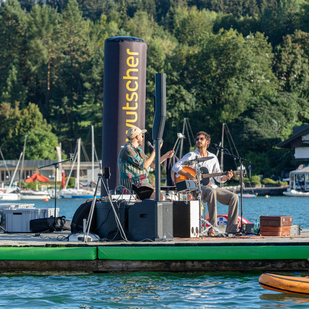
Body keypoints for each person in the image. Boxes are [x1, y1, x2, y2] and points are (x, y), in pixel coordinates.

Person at [172, 131, 239, 236]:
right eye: (197, 139)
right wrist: (189, 175)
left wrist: (226, 177)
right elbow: (175, 166)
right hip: (196, 187)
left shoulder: (213, 157)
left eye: (201, 139)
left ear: (207, 142)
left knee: (234, 197)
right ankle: (212, 227)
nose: (198, 140)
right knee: (211, 191)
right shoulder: (191, 155)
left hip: (211, 186)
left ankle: (231, 229)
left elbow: (218, 178)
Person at [118, 126, 174, 200]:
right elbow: (145, 165)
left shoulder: (138, 150)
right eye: (142, 136)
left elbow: (152, 164)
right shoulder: (127, 150)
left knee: (162, 197)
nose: (143, 138)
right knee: (160, 197)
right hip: (133, 187)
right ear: (137, 137)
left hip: (141, 186)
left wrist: (166, 156)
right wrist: (155, 150)